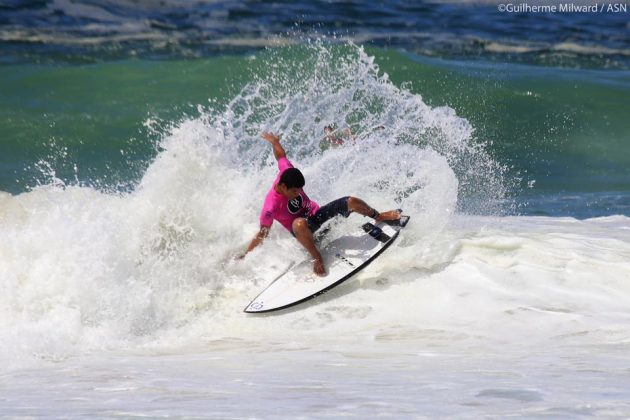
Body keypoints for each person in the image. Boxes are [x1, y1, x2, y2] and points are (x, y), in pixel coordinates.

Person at [239, 131, 401, 276]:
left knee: (351, 201)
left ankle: (379, 216)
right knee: (299, 223)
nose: (298, 193)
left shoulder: (287, 171)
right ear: (282, 186)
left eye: (300, 190)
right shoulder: (270, 207)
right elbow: (263, 233)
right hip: (305, 233)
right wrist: (246, 255)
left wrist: (274, 142)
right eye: (295, 191)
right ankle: (317, 257)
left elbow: (281, 156)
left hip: (318, 217)